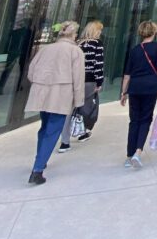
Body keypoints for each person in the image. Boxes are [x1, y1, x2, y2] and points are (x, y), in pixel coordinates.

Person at [24, 20, 84, 185]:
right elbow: (78, 79)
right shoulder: (75, 51)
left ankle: (41, 160)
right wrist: (78, 100)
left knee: (44, 128)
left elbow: (31, 72)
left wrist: (43, 82)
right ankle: (37, 169)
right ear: (73, 34)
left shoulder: (46, 49)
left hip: (43, 93)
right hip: (61, 94)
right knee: (53, 130)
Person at [120, 21, 157, 169]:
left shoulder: (135, 50)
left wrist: (124, 92)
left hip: (135, 88)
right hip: (150, 88)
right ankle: (138, 151)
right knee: (145, 119)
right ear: (154, 32)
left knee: (134, 120)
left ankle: (129, 156)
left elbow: (127, 75)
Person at [59, 20, 105, 152]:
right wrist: (99, 82)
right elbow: (98, 65)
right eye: (99, 30)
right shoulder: (97, 44)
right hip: (89, 81)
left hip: (74, 80)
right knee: (88, 108)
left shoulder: (78, 43)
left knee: (69, 110)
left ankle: (65, 141)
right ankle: (83, 131)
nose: (100, 33)